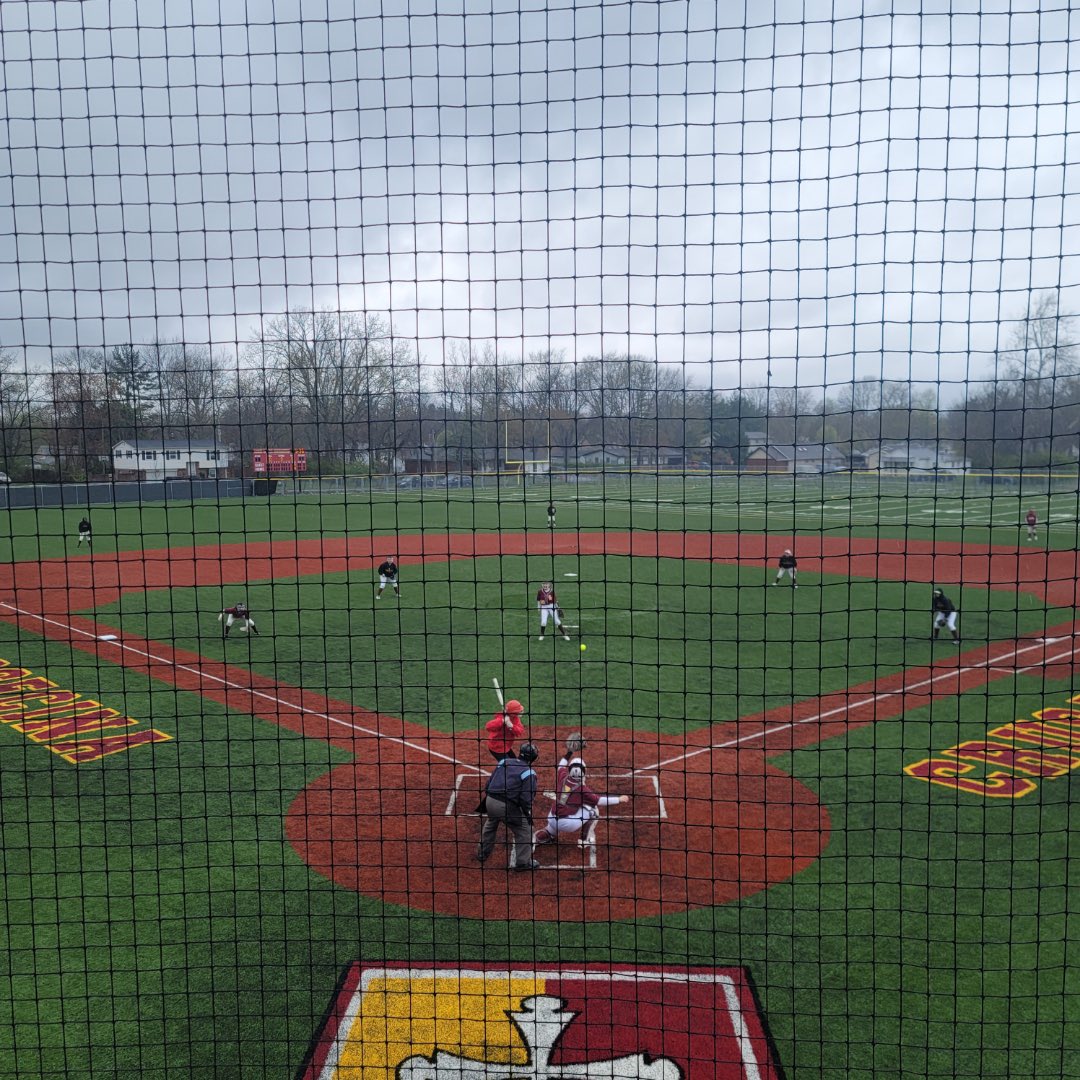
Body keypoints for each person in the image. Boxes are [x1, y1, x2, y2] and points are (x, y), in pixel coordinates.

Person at [533, 758, 628, 847]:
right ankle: (584, 840)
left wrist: (569, 752)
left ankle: (545, 834)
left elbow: (561, 765)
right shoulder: (582, 789)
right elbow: (599, 801)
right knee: (592, 810)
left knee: (564, 807)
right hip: (566, 824)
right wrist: (619, 799)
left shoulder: (562, 777)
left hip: (551, 817)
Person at [477, 743, 540, 870]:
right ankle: (523, 863)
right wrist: (526, 814)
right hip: (504, 806)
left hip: (489, 801)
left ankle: (482, 853)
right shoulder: (529, 773)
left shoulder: (504, 761)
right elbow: (525, 799)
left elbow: (488, 784)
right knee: (525, 830)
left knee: (491, 823)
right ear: (533, 758)